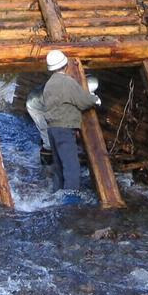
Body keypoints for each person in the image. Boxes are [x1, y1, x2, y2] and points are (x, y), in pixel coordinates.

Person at [42, 50, 101, 191]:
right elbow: (83, 101)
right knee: (71, 167)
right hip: (64, 129)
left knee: (59, 167)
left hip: (52, 130)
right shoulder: (67, 82)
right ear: (66, 65)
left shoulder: (48, 84)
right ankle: (71, 199)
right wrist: (95, 99)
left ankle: (57, 195)